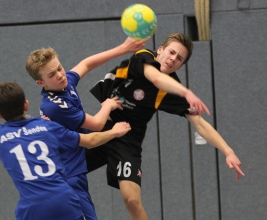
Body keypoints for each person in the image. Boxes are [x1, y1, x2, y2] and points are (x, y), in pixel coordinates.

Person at [25, 36, 209, 220]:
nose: (60, 74)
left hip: (73, 164)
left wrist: (122, 48)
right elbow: (95, 129)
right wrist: (109, 108)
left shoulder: (64, 83)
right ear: (41, 83)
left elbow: (86, 64)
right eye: (52, 74)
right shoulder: (56, 105)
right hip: (66, 169)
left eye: (59, 68)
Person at [86, 33, 245, 220]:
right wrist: (187, 92)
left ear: (181, 65)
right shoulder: (143, 57)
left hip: (127, 138)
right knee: (61, 169)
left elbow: (200, 124)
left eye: (179, 59)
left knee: (132, 201)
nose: (172, 59)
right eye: (171, 52)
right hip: (102, 124)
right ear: (160, 50)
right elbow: (154, 78)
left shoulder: (172, 89)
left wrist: (228, 151)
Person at [0, 82, 131, 220]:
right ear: (26, 104)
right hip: (63, 200)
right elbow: (90, 141)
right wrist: (113, 132)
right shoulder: (47, 126)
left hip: (32, 209)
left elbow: (21, 137)